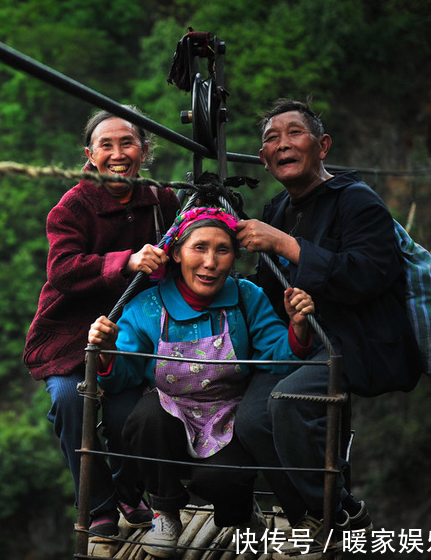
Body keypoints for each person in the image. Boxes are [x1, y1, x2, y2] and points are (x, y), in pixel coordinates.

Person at [234, 98, 422, 549]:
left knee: (288, 403)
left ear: (322, 145)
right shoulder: (279, 206)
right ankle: (306, 512)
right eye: (271, 140)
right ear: (262, 160)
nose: (283, 145)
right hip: (299, 340)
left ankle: (338, 514)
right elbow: (266, 288)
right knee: (252, 421)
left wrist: (286, 245)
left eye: (294, 133)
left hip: (353, 340)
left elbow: (369, 273)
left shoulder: (357, 202)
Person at [88, 207, 316, 558]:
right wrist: (105, 351)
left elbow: (276, 353)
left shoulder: (245, 297)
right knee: (145, 417)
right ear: (177, 252)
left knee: (220, 481)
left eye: (222, 250)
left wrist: (298, 328)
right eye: (199, 248)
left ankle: (242, 513)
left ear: (234, 257)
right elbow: (124, 375)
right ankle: (165, 514)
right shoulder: (148, 305)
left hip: (229, 415)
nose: (210, 262)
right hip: (170, 417)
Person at [22, 106, 181, 542]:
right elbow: (63, 270)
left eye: (127, 143)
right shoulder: (72, 207)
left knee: (129, 411)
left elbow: (187, 239)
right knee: (71, 401)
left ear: (144, 151)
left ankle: (129, 492)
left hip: (131, 336)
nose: (117, 153)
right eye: (106, 145)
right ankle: (98, 505)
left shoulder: (160, 202)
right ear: (89, 155)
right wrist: (126, 261)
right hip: (71, 335)